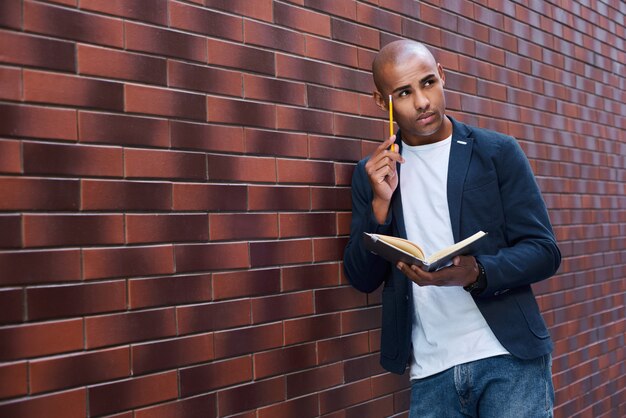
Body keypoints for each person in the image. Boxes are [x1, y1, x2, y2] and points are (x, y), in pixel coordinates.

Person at [343, 39, 561, 417]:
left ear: (442, 75)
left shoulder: (496, 152)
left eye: (428, 83)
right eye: (405, 93)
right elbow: (361, 277)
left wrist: (476, 271)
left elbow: (544, 251)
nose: (423, 102)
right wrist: (379, 205)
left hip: (508, 359)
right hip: (432, 373)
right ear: (384, 102)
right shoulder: (374, 174)